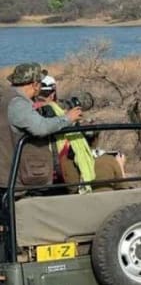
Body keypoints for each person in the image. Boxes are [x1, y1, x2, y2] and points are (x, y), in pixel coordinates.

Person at [35, 74, 127, 193]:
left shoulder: (31, 112)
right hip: (63, 168)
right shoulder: (107, 162)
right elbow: (124, 188)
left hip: (39, 170)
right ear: (53, 93)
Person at [0, 63, 83, 193]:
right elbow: (40, 128)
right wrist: (67, 118)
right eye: (40, 82)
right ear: (35, 84)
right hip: (17, 181)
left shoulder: (7, 98)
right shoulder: (18, 103)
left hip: (11, 177)